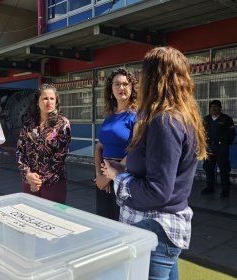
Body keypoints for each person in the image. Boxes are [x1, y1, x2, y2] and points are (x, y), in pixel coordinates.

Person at [101, 46, 207, 280]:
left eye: (143, 73)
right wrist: (123, 169)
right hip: (161, 229)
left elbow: (158, 191)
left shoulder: (164, 121)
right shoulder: (178, 116)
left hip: (155, 229)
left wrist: (117, 177)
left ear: (156, 78)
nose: (139, 80)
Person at [16, 84, 71, 204]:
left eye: (52, 98)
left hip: (53, 183)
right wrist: (27, 174)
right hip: (29, 181)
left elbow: (59, 156)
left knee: (51, 218)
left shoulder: (62, 123)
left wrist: (39, 181)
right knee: (29, 216)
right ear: (37, 101)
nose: (49, 102)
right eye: (45, 98)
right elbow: (20, 151)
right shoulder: (28, 124)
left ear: (56, 101)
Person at [94, 68, 137, 220]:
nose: (121, 88)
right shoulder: (109, 117)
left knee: (122, 224)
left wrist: (111, 175)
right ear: (111, 89)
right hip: (104, 174)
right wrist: (100, 174)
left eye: (126, 84)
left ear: (132, 88)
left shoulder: (136, 116)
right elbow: (99, 146)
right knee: (105, 220)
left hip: (123, 175)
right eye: (117, 84)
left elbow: (135, 150)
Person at [202, 99, 235, 198]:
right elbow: (202, 131)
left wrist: (226, 143)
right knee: (208, 168)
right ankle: (210, 187)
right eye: (212, 107)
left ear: (220, 108)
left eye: (216, 107)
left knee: (224, 169)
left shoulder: (226, 119)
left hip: (221, 147)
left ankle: (225, 190)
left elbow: (232, 133)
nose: (214, 109)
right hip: (209, 147)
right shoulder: (206, 119)